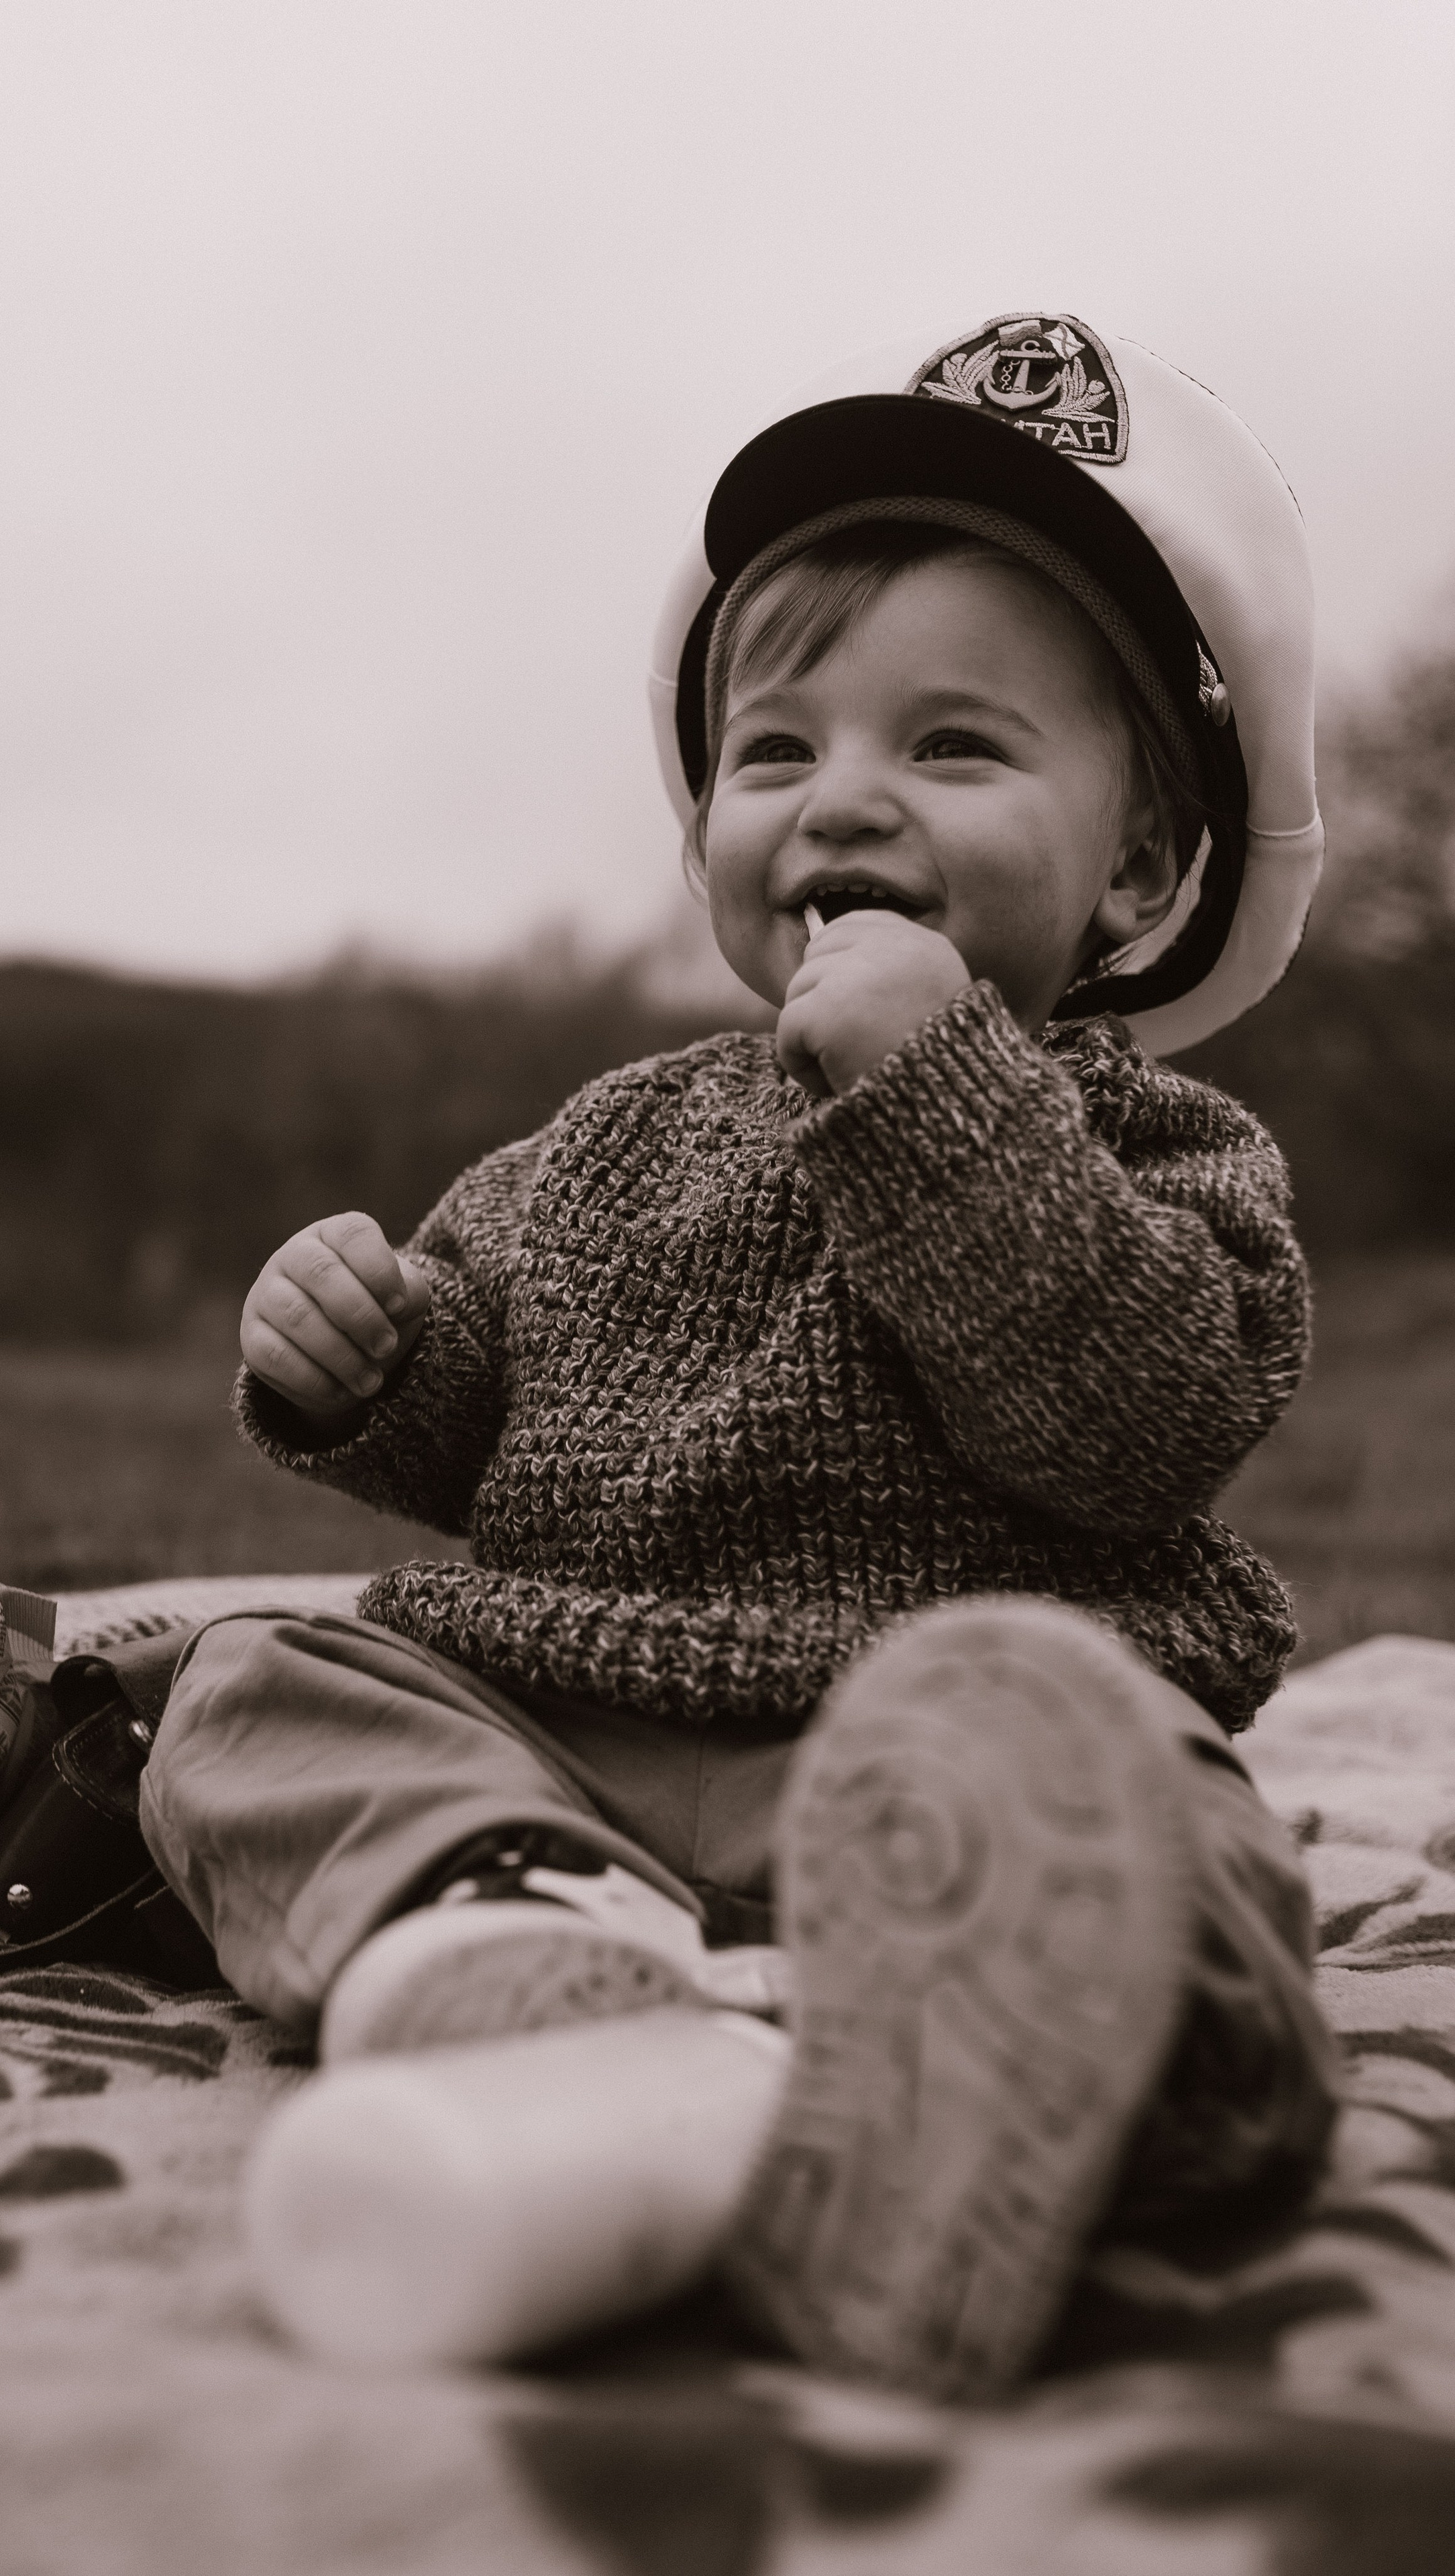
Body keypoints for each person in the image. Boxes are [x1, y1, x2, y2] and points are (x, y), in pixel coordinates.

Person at [140, 310, 1340, 2396]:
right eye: (776, 752)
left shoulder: (1166, 1146)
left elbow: (1138, 1426)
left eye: (954, 750)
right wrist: (370, 1360)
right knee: (261, 1689)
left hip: (955, 1762)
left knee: (1172, 1834)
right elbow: (492, 1411)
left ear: (1142, 867)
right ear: (709, 828)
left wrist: (943, 1098)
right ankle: (517, 1943)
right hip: (573, 1731)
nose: (839, 799)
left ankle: (955, 2076)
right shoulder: (613, 1137)